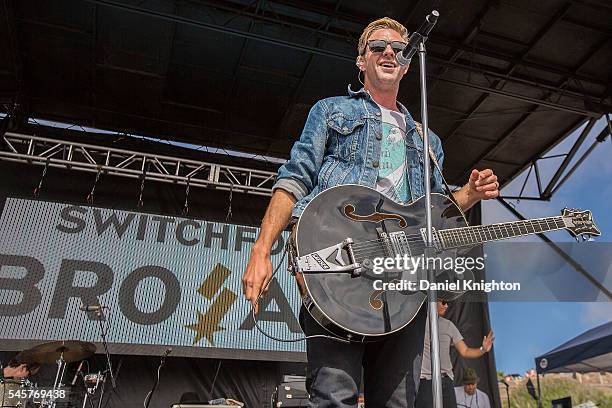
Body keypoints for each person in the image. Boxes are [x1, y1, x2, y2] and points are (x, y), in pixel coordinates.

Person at [242, 16, 500, 407]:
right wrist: (262, 249)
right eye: (378, 47)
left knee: (398, 402)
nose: (388, 53)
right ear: (361, 61)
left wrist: (468, 194)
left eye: (397, 49)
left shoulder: (427, 139)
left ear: (408, 62)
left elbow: (431, 213)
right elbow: (294, 179)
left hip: (403, 283)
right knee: (333, 394)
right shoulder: (331, 111)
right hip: (338, 267)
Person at [415, 301, 494, 407]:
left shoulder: (448, 325)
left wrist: (483, 349)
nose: (446, 305)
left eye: (447, 303)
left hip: (446, 380)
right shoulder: (418, 323)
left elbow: (465, 351)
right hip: (425, 379)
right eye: (443, 302)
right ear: (432, 302)